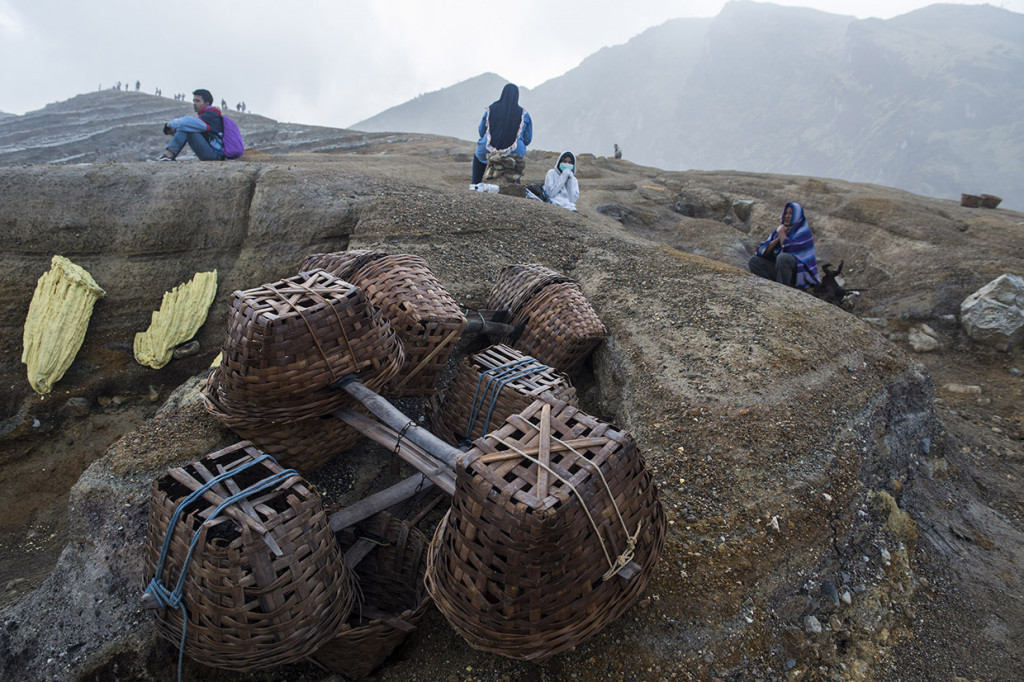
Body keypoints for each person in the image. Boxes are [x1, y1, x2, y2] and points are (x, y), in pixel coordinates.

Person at [748, 202, 820, 289]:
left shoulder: (804, 233)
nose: (787, 216)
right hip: (781, 271)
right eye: (786, 213)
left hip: (798, 275)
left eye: (791, 213)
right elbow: (762, 250)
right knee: (754, 261)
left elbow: (789, 250)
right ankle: (769, 287)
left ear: (797, 215)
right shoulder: (779, 230)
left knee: (783, 258)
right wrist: (778, 238)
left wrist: (782, 234)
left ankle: (784, 289)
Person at [473, 83, 532, 185]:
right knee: (516, 162)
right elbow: (527, 139)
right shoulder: (524, 114)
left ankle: (475, 183)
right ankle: (514, 185)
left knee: (479, 156)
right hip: (514, 151)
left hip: (488, 148)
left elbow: (481, 130)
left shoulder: (491, 109)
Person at [155, 89, 225, 161]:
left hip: (215, 155)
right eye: (194, 101)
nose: (194, 103)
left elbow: (186, 122)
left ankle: (169, 155)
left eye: (197, 101)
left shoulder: (210, 115)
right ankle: (169, 155)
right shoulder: (210, 114)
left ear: (207, 103)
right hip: (213, 154)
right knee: (186, 127)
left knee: (186, 128)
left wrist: (169, 125)